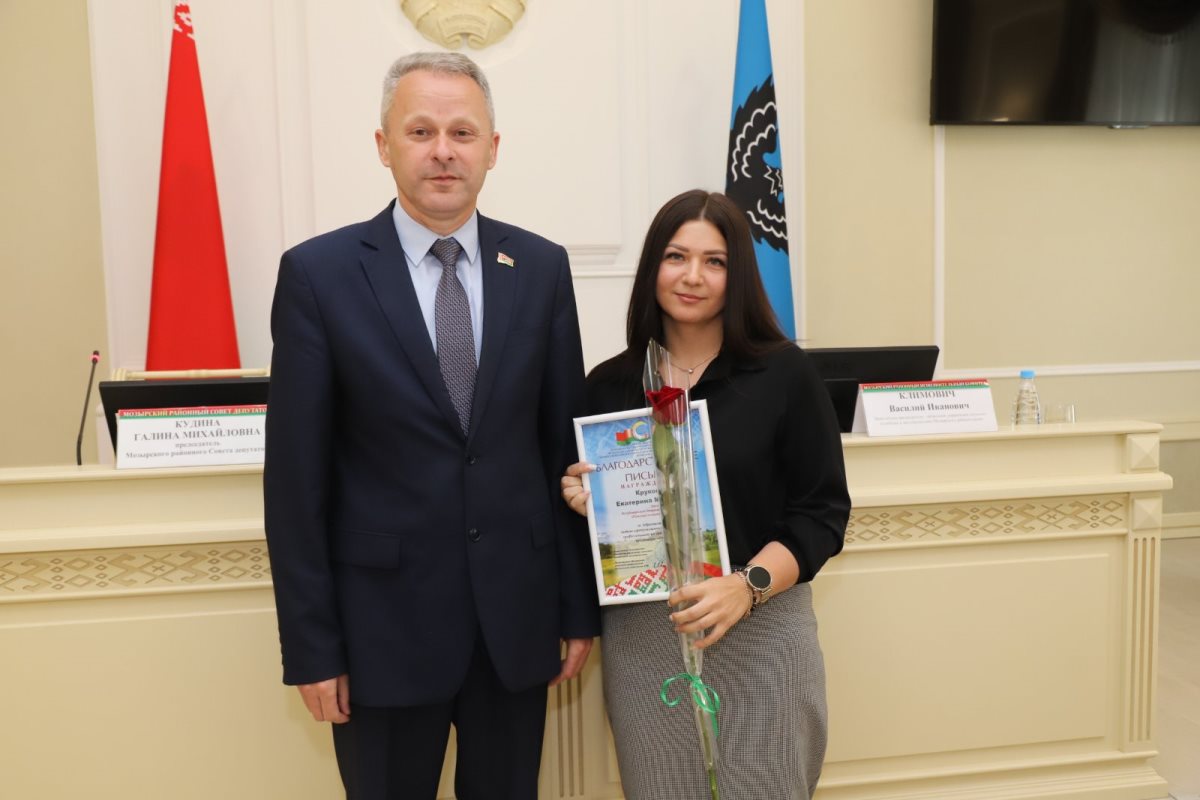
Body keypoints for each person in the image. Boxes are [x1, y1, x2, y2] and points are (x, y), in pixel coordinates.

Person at [264, 51, 599, 800]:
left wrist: (577, 607)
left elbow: (564, 452)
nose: (443, 151)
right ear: (384, 146)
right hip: (379, 637)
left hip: (515, 628)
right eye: (420, 131)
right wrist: (313, 648)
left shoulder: (541, 267)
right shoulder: (319, 275)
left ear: (492, 148)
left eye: (462, 133)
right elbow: (294, 485)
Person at [560, 189, 850, 798]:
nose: (692, 276)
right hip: (646, 641)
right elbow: (596, 536)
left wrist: (747, 586)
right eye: (676, 256)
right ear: (653, 268)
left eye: (714, 261)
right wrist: (584, 500)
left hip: (762, 630)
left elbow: (821, 514)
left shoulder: (784, 374)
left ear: (736, 276)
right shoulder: (608, 386)